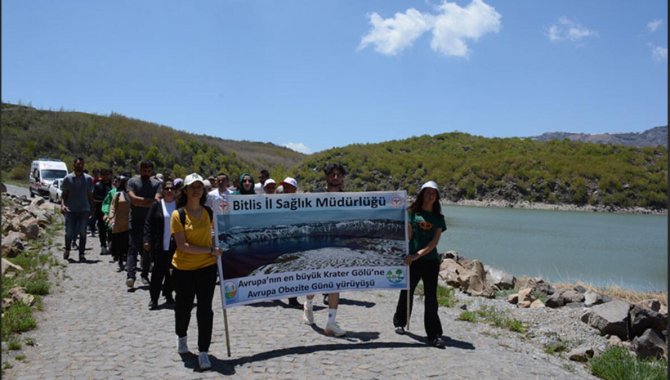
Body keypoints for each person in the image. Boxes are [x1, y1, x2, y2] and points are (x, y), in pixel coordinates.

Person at [171, 173, 222, 371]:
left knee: (205, 309)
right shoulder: (179, 215)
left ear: (203, 190)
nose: (196, 190)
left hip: (206, 268)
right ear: (185, 190)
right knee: (183, 307)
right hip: (183, 269)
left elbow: (218, 233)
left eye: (199, 186)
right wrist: (210, 250)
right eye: (192, 186)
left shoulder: (209, 212)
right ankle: (181, 336)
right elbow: (182, 246)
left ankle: (203, 351)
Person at [393, 180, 447, 348]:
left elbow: (433, 243)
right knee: (406, 291)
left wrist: (417, 255)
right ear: (422, 194)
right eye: (428, 192)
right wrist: (406, 221)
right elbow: (408, 237)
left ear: (436, 197)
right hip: (412, 260)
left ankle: (434, 334)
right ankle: (400, 322)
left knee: (431, 298)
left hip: (430, 262)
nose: (431, 195)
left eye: (434, 193)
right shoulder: (412, 212)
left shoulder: (439, 218)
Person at [303, 163, 347, 337]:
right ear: (327, 177)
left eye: (338, 174)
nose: (335, 177)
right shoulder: (316, 196)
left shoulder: (351, 198)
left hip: (338, 245)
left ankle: (331, 322)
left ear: (343, 178)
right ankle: (308, 303)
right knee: (316, 280)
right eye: (332, 174)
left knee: (335, 282)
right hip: (318, 244)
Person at [126, 160, 162, 288]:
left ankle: (145, 275)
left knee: (147, 250)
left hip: (150, 222)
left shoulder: (156, 184)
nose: (146, 172)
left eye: (149, 170)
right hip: (135, 220)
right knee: (132, 248)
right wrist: (150, 201)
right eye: (144, 170)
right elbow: (133, 200)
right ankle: (130, 276)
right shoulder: (132, 182)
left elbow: (157, 201)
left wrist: (143, 201)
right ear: (139, 169)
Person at [144, 180, 177, 310]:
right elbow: (148, 224)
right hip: (159, 245)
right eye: (167, 189)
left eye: (171, 189)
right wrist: (146, 240)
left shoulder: (179, 206)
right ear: (162, 191)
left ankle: (169, 295)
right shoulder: (156, 205)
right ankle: (154, 298)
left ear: (175, 191)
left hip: (174, 246)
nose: (169, 191)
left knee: (172, 273)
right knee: (157, 273)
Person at [60, 157, 94, 262]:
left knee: (82, 232)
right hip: (71, 209)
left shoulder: (88, 179)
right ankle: (67, 249)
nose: (80, 166)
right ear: (74, 165)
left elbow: (90, 195)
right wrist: (62, 205)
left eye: (82, 164)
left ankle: (81, 254)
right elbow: (64, 195)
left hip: (84, 209)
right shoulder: (68, 178)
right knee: (69, 232)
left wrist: (92, 208)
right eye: (78, 164)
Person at [280, 177, 302, 308]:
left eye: (288, 186)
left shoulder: (301, 202)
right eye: (284, 186)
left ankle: (293, 297)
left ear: (294, 189)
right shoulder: (276, 202)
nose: (285, 189)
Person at [108, 176, 131, 272]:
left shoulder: (130, 194)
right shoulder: (117, 195)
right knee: (118, 242)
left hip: (128, 222)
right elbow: (112, 207)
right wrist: (111, 218)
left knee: (127, 242)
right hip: (118, 222)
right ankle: (120, 260)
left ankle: (127, 260)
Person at [93, 168, 113, 255]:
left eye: (107, 174)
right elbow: (95, 198)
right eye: (103, 174)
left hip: (111, 211)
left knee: (111, 229)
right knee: (102, 229)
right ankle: (103, 246)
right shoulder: (97, 185)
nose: (105, 176)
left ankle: (110, 244)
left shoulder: (112, 185)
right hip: (100, 211)